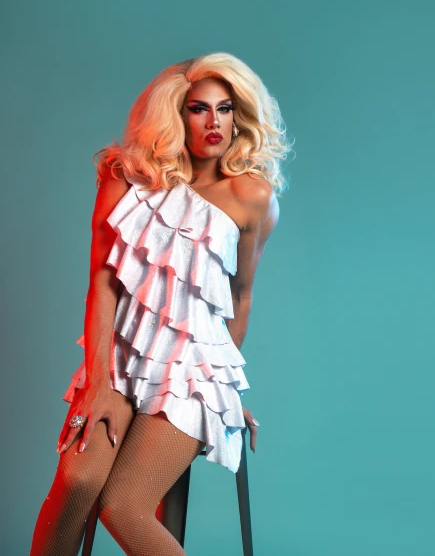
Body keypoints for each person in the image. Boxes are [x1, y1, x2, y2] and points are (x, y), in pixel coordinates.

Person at [30, 52, 292, 555]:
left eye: (225, 108)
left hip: (194, 370)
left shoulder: (251, 196)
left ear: (239, 116)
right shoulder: (125, 177)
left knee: (123, 506)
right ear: (176, 114)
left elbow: (241, 295)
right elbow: (103, 284)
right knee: (78, 485)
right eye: (199, 108)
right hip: (118, 357)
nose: (214, 122)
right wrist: (99, 386)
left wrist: (227, 386)